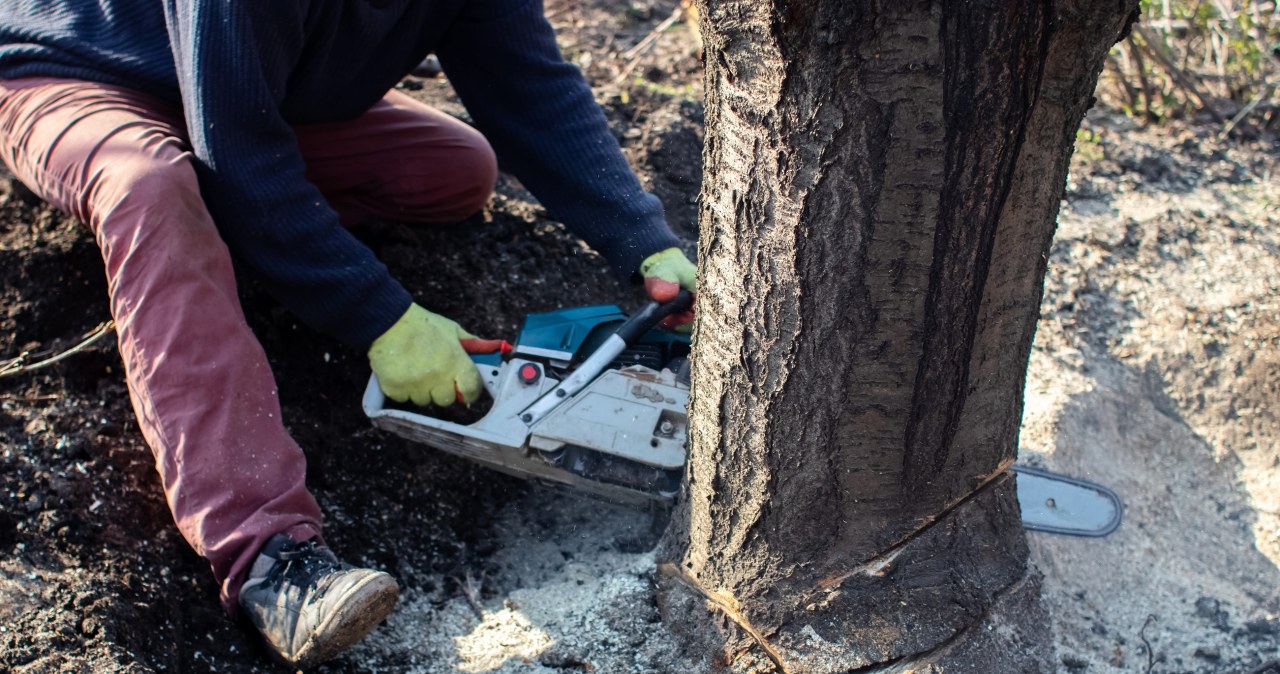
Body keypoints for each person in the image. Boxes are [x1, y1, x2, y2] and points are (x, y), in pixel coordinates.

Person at [0, 0, 697, 668]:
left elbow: (529, 85)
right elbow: (239, 154)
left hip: (238, 95)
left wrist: (641, 239)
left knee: (453, 171)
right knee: (150, 187)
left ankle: (219, 217)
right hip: (83, 75)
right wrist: (383, 319)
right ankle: (266, 557)